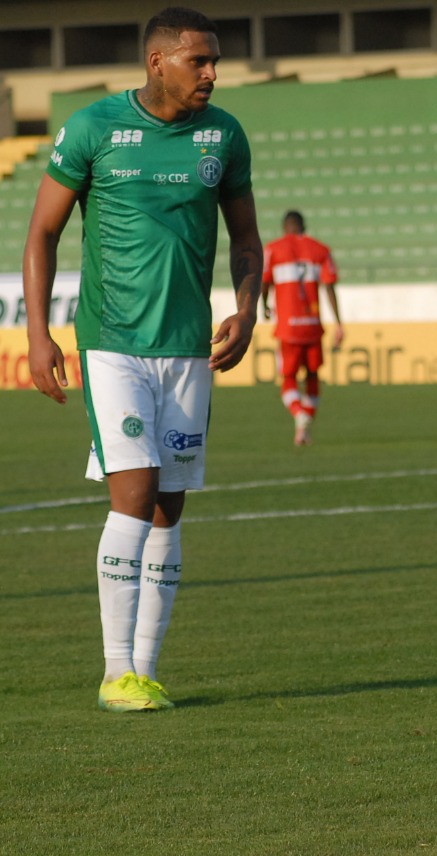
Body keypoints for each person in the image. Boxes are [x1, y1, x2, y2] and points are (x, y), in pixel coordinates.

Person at [23, 6, 263, 712]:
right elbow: (42, 233)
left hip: (188, 348)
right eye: (199, 60)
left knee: (168, 507)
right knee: (134, 492)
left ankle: (147, 670)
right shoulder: (94, 128)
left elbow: (247, 237)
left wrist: (247, 308)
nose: (212, 74)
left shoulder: (224, 135)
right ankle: (114, 671)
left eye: (215, 61)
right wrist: (38, 333)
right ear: (158, 61)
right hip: (113, 343)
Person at [261, 210, 343, 446]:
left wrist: (264, 306)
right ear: (303, 226)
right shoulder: (321, 249)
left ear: (284, 227)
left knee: (288, 378)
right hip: (313, 326)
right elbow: (329, 287)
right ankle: (303, 427)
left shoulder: (272, 249)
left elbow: (264, 282)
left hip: (288, 328)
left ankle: (299, 414)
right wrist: (339, 323)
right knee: (313, 376)